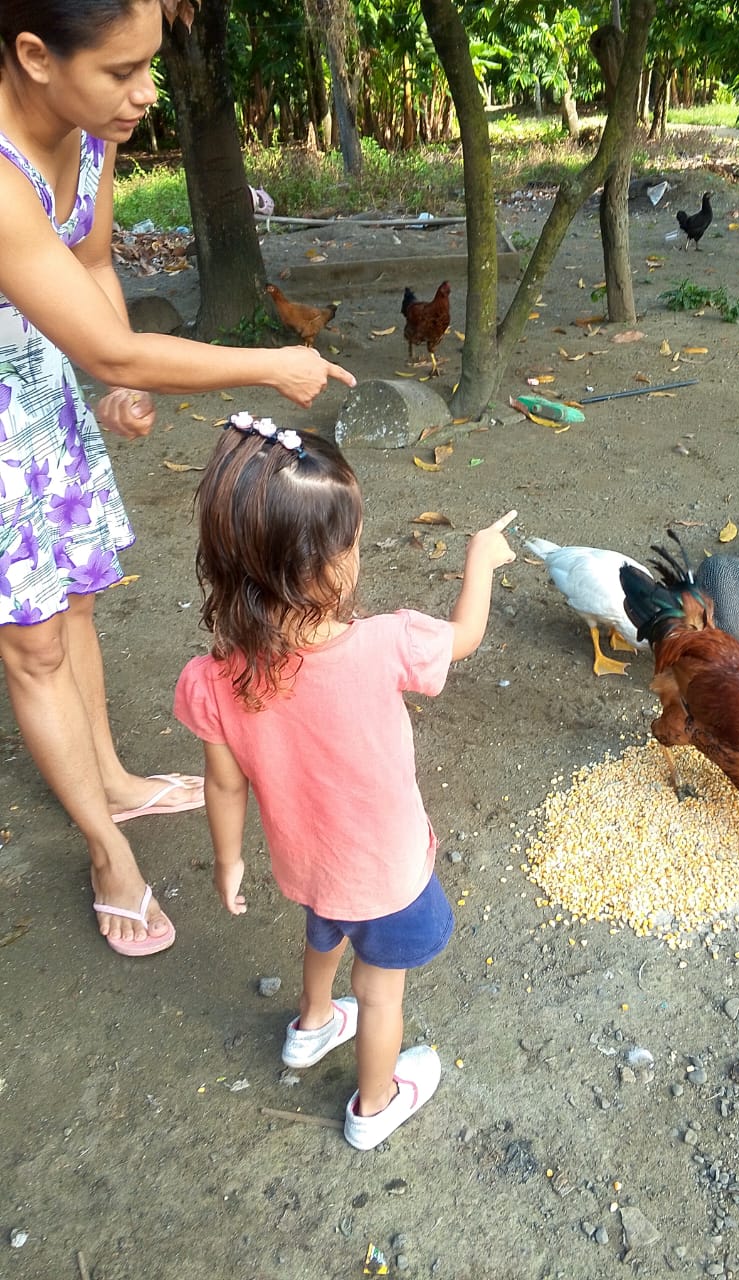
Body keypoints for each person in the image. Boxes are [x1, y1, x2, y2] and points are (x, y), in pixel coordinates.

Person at [0, 1, 355, 956]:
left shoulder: (91, 131)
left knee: (76, 600)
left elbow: (89, 262)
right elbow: (110, 344)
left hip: (35, 393)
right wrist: (266, 365)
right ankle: (107, 851)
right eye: (121, 71)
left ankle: (112, 779)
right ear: (35, 55)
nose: (144, 94)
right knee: (31, 644)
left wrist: (113, 384)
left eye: (149, 66)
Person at [173, 413, 516, 1150]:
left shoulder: (214, 677)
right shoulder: (387, 643)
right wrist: (480, 561)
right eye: (351, 542)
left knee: (323, 934)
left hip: (308, 864)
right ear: (324, 566)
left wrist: (229, 860)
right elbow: (465, 637)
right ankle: (375, 1105)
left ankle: (313, 1025)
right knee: (380, 989)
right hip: (384, 873)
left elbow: (224, 786)